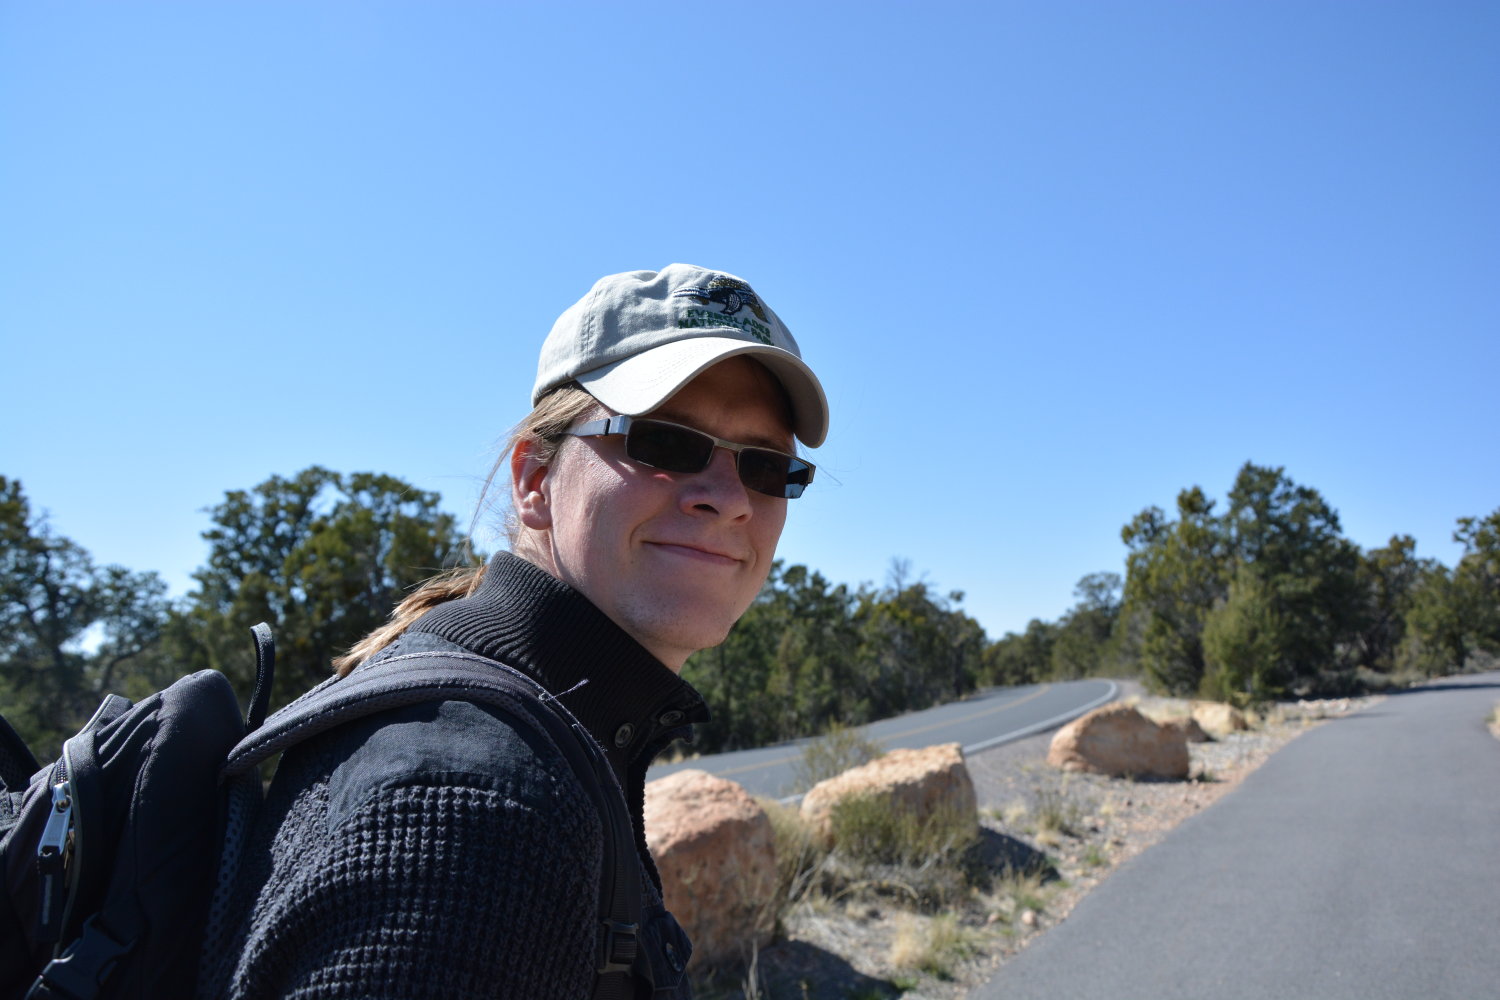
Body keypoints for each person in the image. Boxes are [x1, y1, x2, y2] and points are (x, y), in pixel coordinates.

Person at [206, 264, 829, 999]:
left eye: (765, 467)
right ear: (535, 479)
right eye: (664, 443)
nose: (729, 499)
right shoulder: (473, 806)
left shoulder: (543, 730)